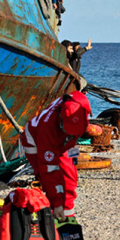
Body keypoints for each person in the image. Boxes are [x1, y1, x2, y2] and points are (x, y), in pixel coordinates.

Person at [19, 91, 91, 221]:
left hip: (65, 141)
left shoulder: (80, 106)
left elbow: (73, 142)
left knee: (70, 176)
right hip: (34, 140)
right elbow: (49, 170)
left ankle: (68, 217)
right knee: (46, 175)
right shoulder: (48, 129)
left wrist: (73, 161)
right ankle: (52, 212)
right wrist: (57, 203)